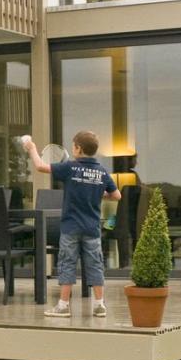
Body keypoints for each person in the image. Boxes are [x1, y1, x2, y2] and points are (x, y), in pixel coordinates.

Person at [23, 131, 120, 318]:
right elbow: (117, 195)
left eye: (73, 145)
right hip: (92, 229)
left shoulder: (70, 167)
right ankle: (99, 305)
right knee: (95, 265)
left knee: (67, 264)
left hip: (70, 227)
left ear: (78, 148)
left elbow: (40, 166)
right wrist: (98, 193)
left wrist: (32, 148)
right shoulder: (101, 171)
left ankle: (63, 306)